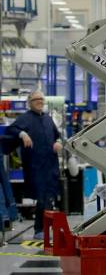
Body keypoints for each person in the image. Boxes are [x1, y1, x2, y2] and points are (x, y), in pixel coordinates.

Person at [6, 91, 61, 239]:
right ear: (30, 102)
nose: (39, 101)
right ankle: (39, 230)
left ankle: (46, 230)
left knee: (50, 198)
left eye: (41, 99)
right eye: (36, 99)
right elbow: (11, 130)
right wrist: (22, 134)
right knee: (42, 198)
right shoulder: (25, 119)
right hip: (35, 166)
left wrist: (58, 142)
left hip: (51, 165)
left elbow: (57, 136)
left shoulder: (49, 119)